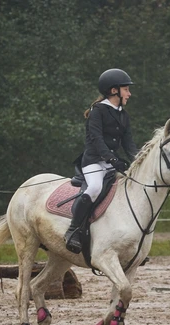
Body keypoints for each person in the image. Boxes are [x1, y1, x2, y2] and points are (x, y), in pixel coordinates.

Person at [64, 68, 139, 253]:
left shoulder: (123, 115)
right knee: (95, 188)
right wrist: (113, 159)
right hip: (93, 162)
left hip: (111, 164)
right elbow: (96, 140)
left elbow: (129, 144)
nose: (129, 93)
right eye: (126, 89)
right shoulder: (97, 111)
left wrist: (138, 161)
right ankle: (73, 230)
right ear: (114, 90)